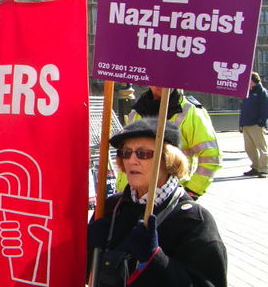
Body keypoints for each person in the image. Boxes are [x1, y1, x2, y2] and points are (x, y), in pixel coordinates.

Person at [87, 118, 227, 286]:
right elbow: (86, 275)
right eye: (126, 153)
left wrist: (155, 260)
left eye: (143, 153)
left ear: (168, 159)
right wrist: (86, 249)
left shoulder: (194, 221)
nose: (131, 160)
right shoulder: (110, 208)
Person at [116, 87, 221, 199]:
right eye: (155, 78)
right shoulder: (136, 112)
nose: (159, 84)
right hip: (131, 196)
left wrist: (192, 191)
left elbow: (211, 157)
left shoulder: (191, 112)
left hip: (170, 196)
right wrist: (121, 191)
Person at [239, 71, 268, 178]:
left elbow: (265, 108)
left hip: (256, 124)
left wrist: (261, 122)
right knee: (249, 148)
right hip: (246, 124)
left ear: (253, 80)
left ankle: (264, 169)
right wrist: (241, 124)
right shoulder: (247, 92)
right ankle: (255, 167)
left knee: (262, 148)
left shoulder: (262, 92)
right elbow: (243, 109)